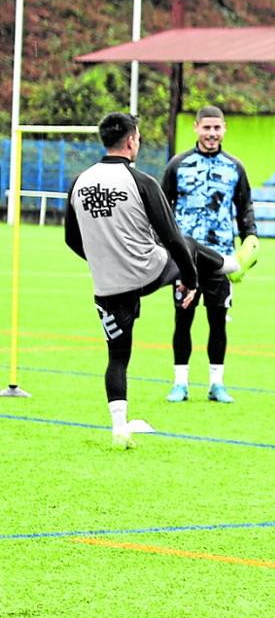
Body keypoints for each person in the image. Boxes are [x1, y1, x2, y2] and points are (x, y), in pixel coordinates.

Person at [65, 113, 243, 448]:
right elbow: (174, 240)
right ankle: (228, 265)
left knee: (117, 356)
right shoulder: (142, 182)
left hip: (108, 283)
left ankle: (119, 428)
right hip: (148, 271)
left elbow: (72, 240)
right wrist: (190, 281)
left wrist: (106, 262)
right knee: (189, 246)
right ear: (132, 141)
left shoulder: (79, 182)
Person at [161, 105, 259, 404]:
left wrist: (250, 237)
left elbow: (244, 208)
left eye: (217, 128)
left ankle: (217, 384)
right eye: (207, 128)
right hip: (186, 258)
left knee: (218, 321)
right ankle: (180, 383)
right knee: (183, 320)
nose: (212, 134)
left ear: (224, 129)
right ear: (196, 128)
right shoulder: (178, 165)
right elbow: (162, 209)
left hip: (221, 259)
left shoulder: (235, 168)